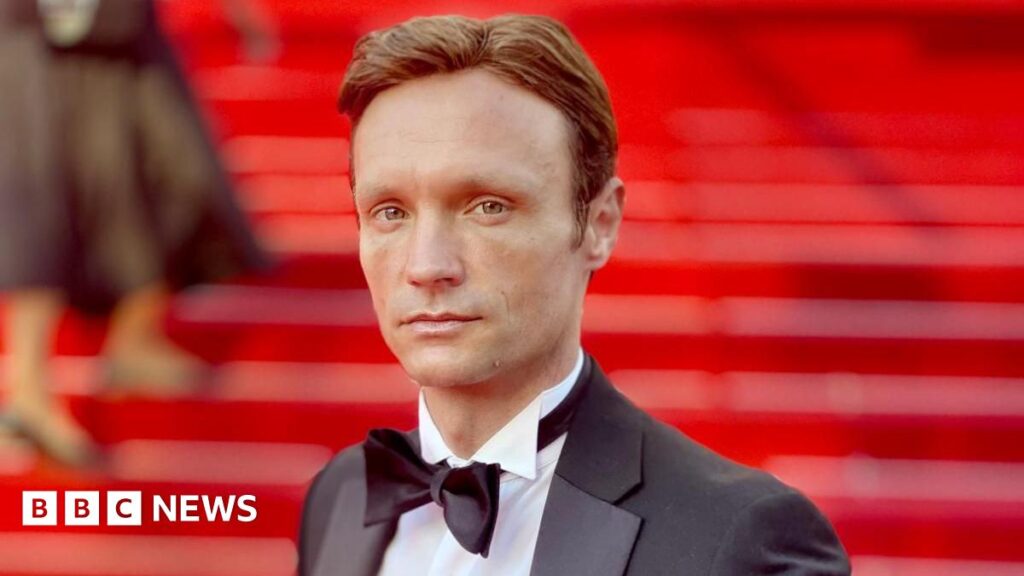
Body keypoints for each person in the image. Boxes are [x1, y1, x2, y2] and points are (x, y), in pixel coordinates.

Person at [299, 14, 850, 576]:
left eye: (489, 206)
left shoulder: (741, 540)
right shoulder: (341, 497)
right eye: (389, 212)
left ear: (599, 223)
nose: (427, 266)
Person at [0, 0, 273, 467]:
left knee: (173, 170)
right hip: (39, 25)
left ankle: (133, 338)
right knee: (42, 182)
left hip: (121, 20)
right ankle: (26, 389)